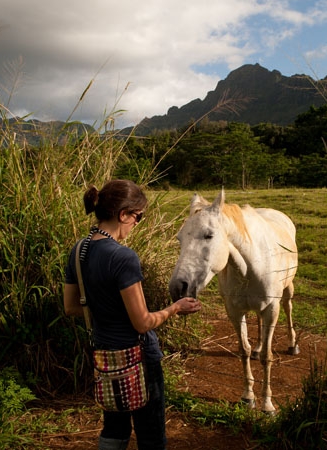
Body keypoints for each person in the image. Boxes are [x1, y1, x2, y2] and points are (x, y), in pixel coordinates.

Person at [63, 179, 202, 450]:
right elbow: (143, 322)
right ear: (123, 214)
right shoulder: (123, 257)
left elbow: (70, 307)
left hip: (105, 355)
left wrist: (106, 310)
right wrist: (175, 308)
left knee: (114, 427)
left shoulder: (79, 250)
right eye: (138, 216)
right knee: (151, 434)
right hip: (138, 359)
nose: (137, 223)